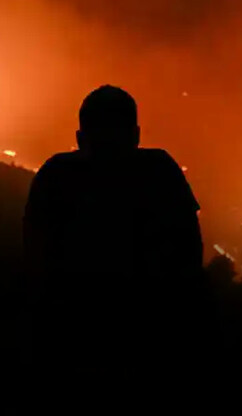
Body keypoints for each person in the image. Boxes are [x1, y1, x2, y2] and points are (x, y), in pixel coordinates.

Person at [23, 85, 208, 389]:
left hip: (69, 342)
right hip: (149, 343)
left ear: (80, 138)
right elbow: (189, 252)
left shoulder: (55, 176)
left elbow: (34, 257)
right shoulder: (160, 172)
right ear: (136, 135)